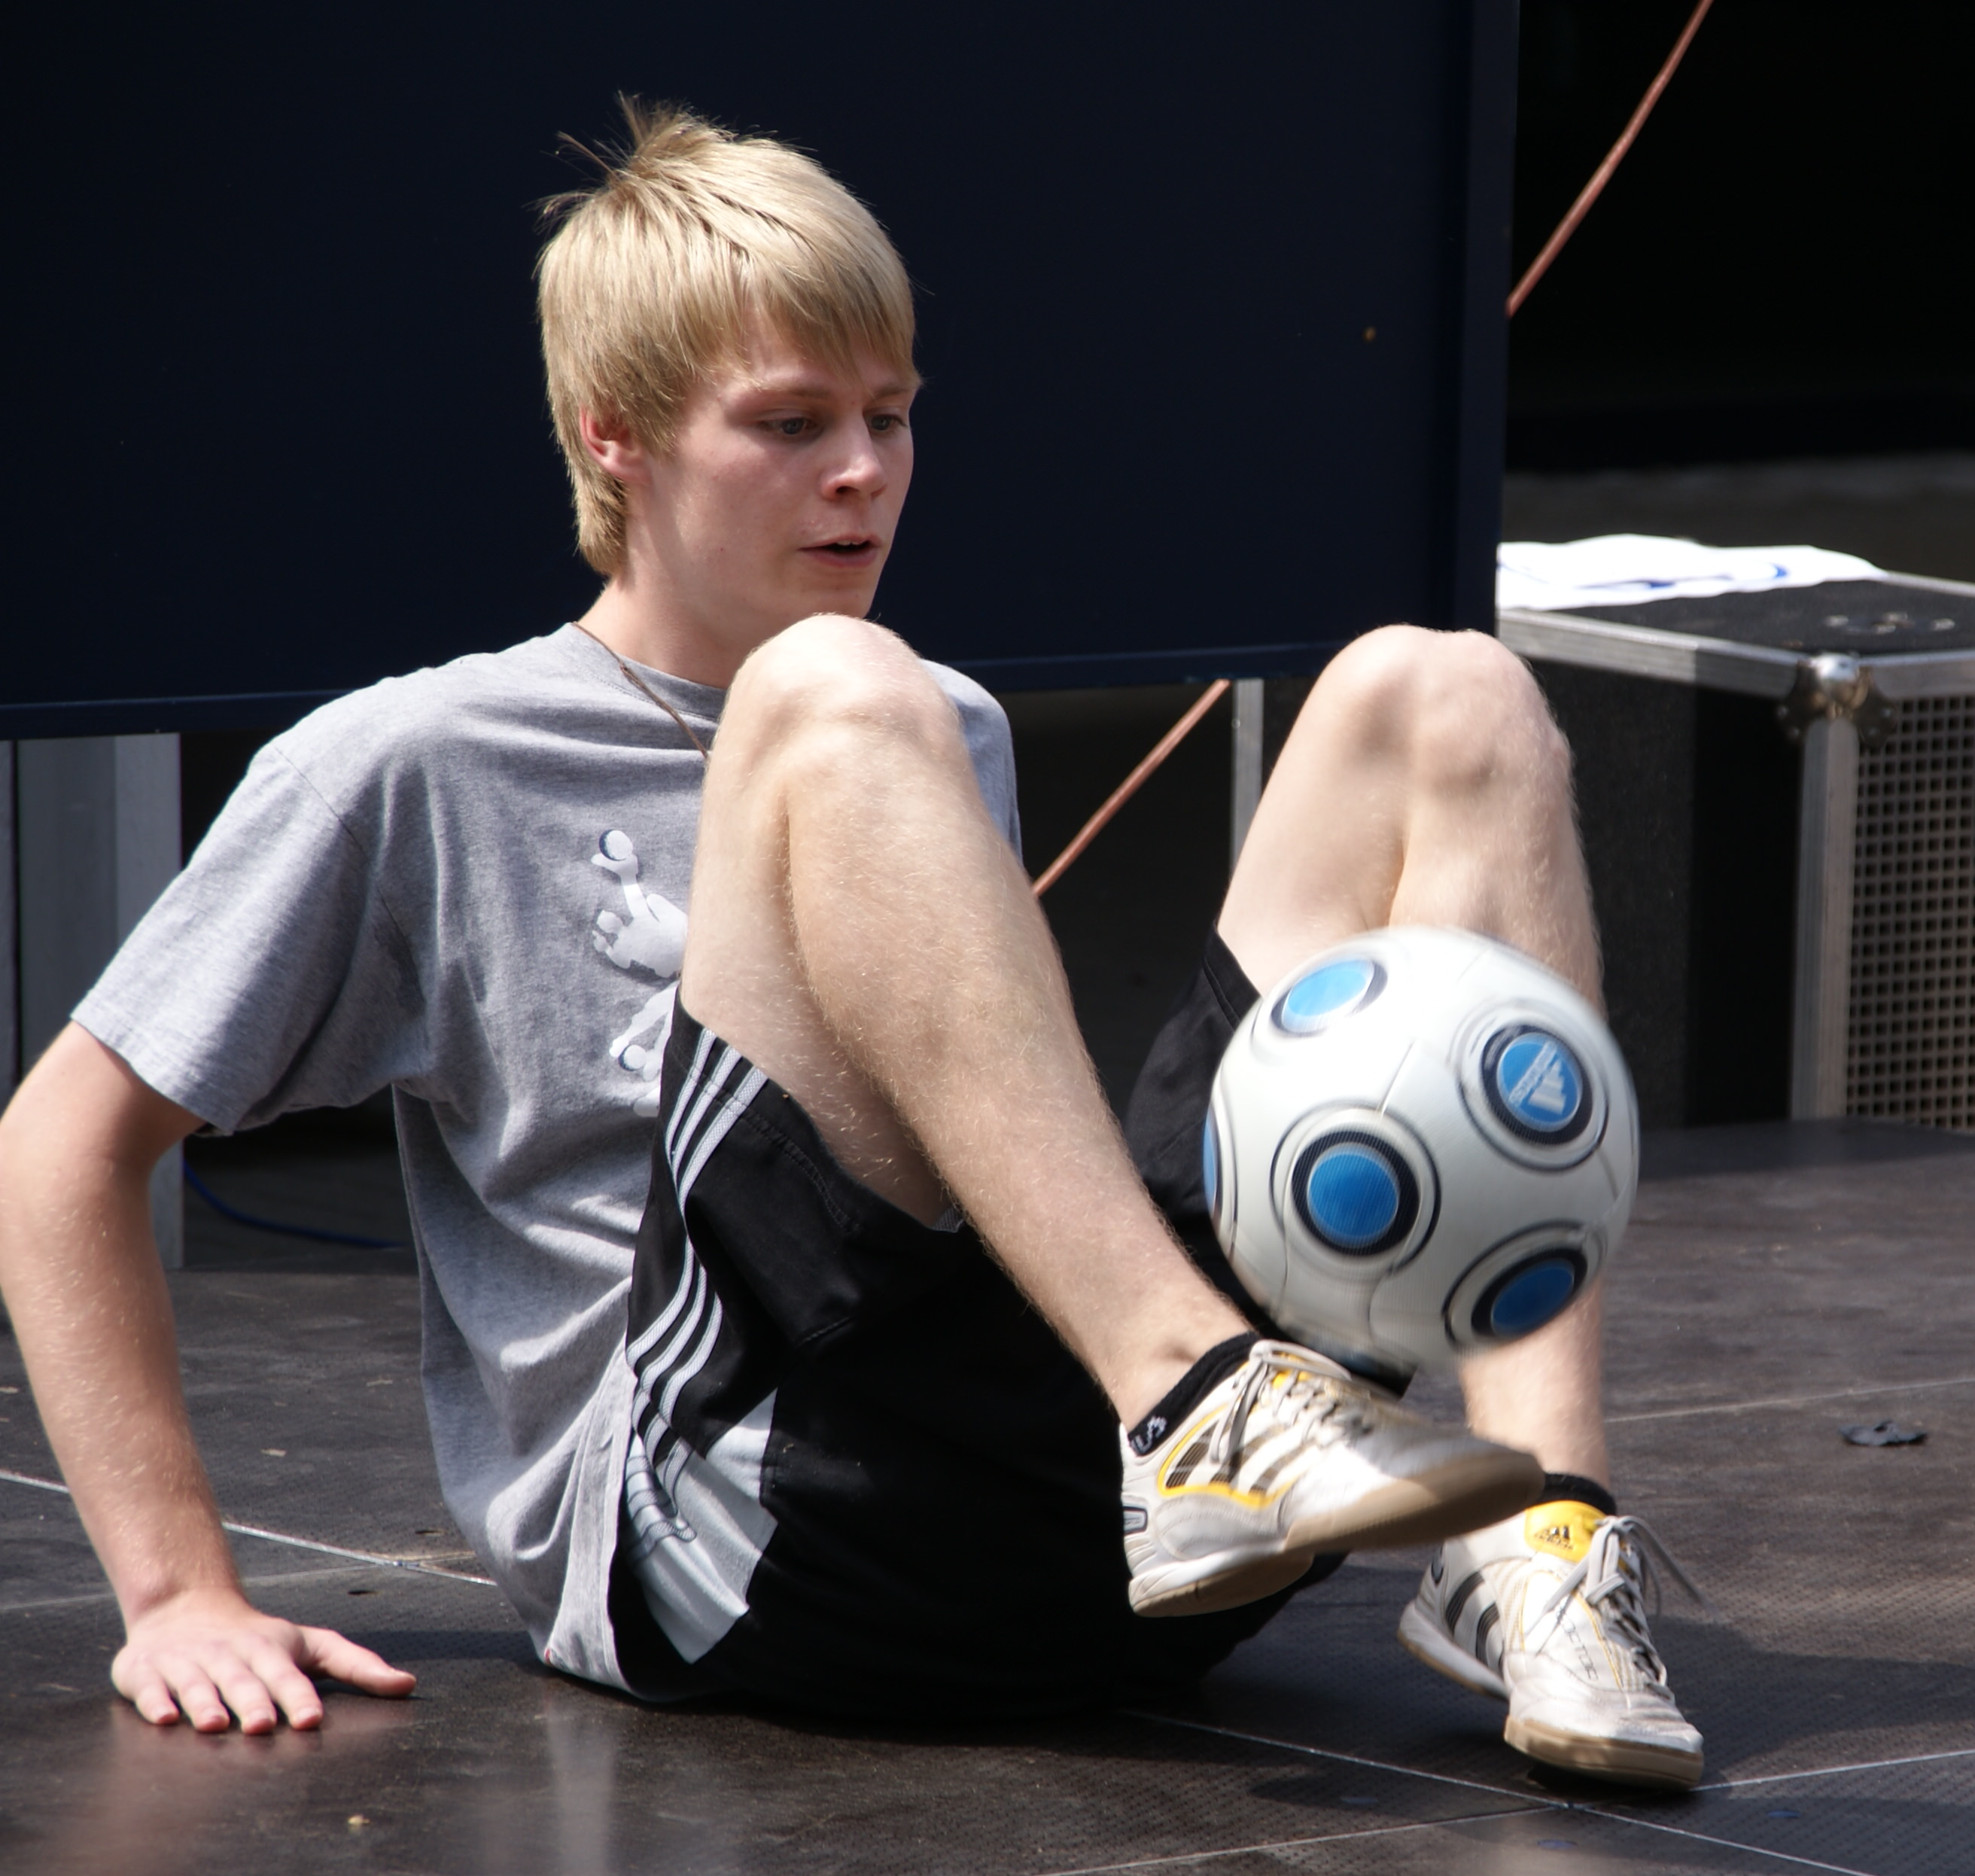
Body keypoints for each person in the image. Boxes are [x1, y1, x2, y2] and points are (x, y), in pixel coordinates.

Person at [0, 103, 1706, 1789]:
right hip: (741, 1534)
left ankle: (1540, 1544)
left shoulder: (934, 721)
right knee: (836, 688)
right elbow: (57, 1147)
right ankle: (1198, 1402)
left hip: (1096, 1532)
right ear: (615, 436)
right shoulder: (421, 761)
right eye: (791, 422)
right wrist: (175, 1594)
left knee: (1448, 693)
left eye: (891, 416)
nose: (864, 471)